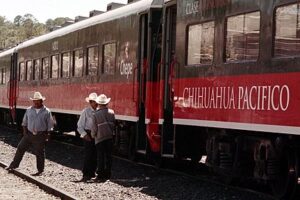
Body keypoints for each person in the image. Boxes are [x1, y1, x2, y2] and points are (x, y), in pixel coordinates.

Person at [6, 91, 53, 176]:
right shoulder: (29, 110)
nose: (36, 102)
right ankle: (13, 165)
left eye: (38, 100)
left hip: (40, 135)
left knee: (39, 153)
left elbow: (49, 125)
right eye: (34, 100)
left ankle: (40, 170)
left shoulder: (47, 111)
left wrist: (48, 135)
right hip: (29, 134)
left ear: (41, 101)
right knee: (20, 148)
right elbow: (24, 122)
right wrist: (25, 133)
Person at [91, 94, 116, 182]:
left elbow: (94, 128)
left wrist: (93, 135)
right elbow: (113, 124)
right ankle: (108, 175)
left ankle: (100, 175)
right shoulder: (111, 112)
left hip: (100, 138)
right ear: (106, 103)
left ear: (99, 103)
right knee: (109, 157)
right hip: (109, 137)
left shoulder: (95, 114)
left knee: (100, 157)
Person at [77, 92, 98, 181]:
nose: (96, 103)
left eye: (97, 101)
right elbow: (80, 125)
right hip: (88, 134)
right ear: (90, 102)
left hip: (97, 134)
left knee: (96, 154)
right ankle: (86, 174)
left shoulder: (99, 111)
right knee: (88, 154)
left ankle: (93, 172)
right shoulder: (85, 111)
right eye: (94, 101)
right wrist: (85, 135)